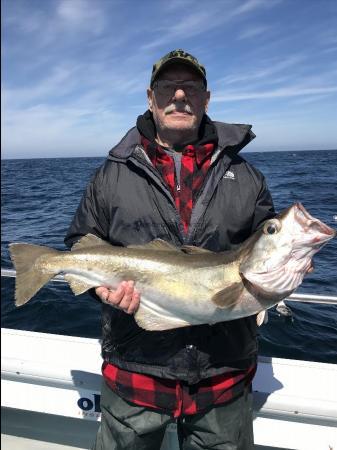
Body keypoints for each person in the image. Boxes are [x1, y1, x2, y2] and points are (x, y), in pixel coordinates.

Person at [65, 49, 275, 450]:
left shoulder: (248, 178)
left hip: (223, 378)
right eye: (168, 87)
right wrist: (100, 289)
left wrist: (291, 263)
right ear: (150, 98)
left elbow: (262, 251)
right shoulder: (112, 175)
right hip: (135, 375)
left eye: (191, 88)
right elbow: (80, 242)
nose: (179, 96)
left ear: (206, 99)